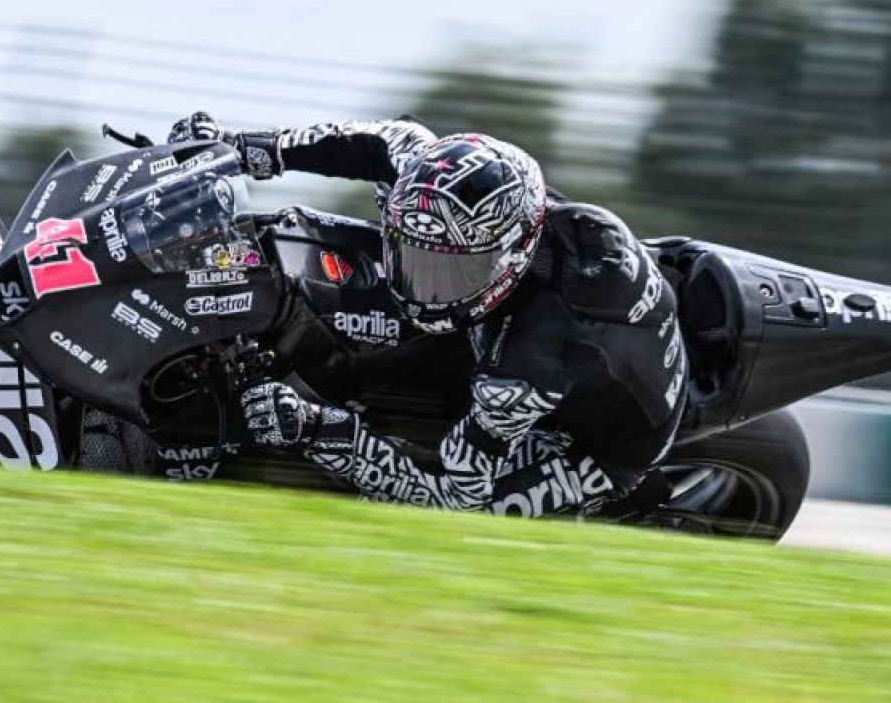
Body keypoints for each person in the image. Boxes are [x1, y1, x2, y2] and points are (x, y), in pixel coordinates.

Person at [168, 112, 688, 517]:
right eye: (415, 258)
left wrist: (318, 429)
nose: (423, 290)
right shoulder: (453, 195)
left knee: (438, 515)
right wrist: (241, 147)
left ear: (510, 257)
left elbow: (452, 496)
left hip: (605, 442)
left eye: (449, 273)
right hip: (554, 329)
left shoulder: (526, 361)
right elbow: (386, 138)